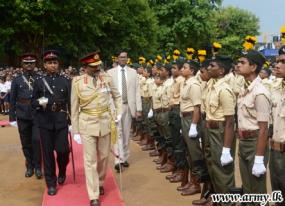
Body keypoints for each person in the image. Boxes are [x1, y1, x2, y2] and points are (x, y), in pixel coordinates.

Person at [70, 51, 122, 206]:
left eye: (98, 65)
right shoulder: (78, 82)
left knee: (104, 156)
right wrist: (76, 130)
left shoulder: (107, 78)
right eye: (93, 66)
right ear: (85, 67)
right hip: (87, 122)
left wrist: (119, 112)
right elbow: (74, 107)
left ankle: (100, 182)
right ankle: (93, 195)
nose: (97, 68)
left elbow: (117, 96)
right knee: (90, 160)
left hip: (105, 122)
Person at [31, 50, 71, 196]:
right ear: (45, 65)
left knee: (63, 150)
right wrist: (41, 102)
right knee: (47, 153)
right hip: (45, 120)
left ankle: (62, 169)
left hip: (61, 120)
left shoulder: (66, 81)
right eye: (50, 63)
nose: (53, 65)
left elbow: (71, 103)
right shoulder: (40, 82)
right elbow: (33, 101)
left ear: (58, 64)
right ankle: (51, 183)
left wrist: (72, 122)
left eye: (55, 63)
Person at [236, 39, 271, 205]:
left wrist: (259, 158)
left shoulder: (260, 93)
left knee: (257, 190)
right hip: (243, 141)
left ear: (253, 67)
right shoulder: (244, 90)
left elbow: (264, 129)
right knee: (248, 189)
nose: (238, 65)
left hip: (256, 142)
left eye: (242, 62)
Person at [205, 54, 236, 206]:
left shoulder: (224, 90)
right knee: (213, 168)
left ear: (222, 70)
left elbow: (230, 122)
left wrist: (226, 149)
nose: (208, 68)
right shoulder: (213, 85)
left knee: (223, 172)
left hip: (221, 131)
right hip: (211, 130)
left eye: (212, 66)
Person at [9, 53, 43, 178]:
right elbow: (12, 100)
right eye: (26, 63)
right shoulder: (17, 80)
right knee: (26, 141)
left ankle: (38, 167)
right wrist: (12, 118)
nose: (29, 65)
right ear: (22, 65)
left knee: (36, 140)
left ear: (35, 64)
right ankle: (30, 166)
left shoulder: (40, 79)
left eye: (31, 63)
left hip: (37, 113)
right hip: (22, 114)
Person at [107, 50, 142, 171]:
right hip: (116, 106)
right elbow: (107, 91)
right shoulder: (110, 73)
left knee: (126, 133)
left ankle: (125, 157)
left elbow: (137, 91)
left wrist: (139, 109)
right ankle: (118, 160)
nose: (123, 59)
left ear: (127, 58)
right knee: (118, 132)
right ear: (117, 58)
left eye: (125, 57)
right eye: (121, 57)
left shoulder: (133, 72)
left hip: (128, 106)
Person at [270, 35, 285, 206]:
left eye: (283, 62)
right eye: (278, 61)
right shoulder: (277, 89)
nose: (278, 65)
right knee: (278, 196)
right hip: (275, 151)